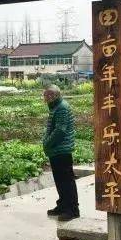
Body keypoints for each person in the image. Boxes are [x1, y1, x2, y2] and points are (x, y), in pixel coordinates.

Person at [42, 84, 80, 221]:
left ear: (55, 95)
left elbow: (60, 130)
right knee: (60, 181)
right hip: (56, 150)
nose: (46, 98)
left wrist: (47, 143)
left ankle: (72, 210)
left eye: (48, 95)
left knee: (66, 181)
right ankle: (63, 205)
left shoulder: (61, 108)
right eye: (45, 95)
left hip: (61, 150)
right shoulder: (55, 107)